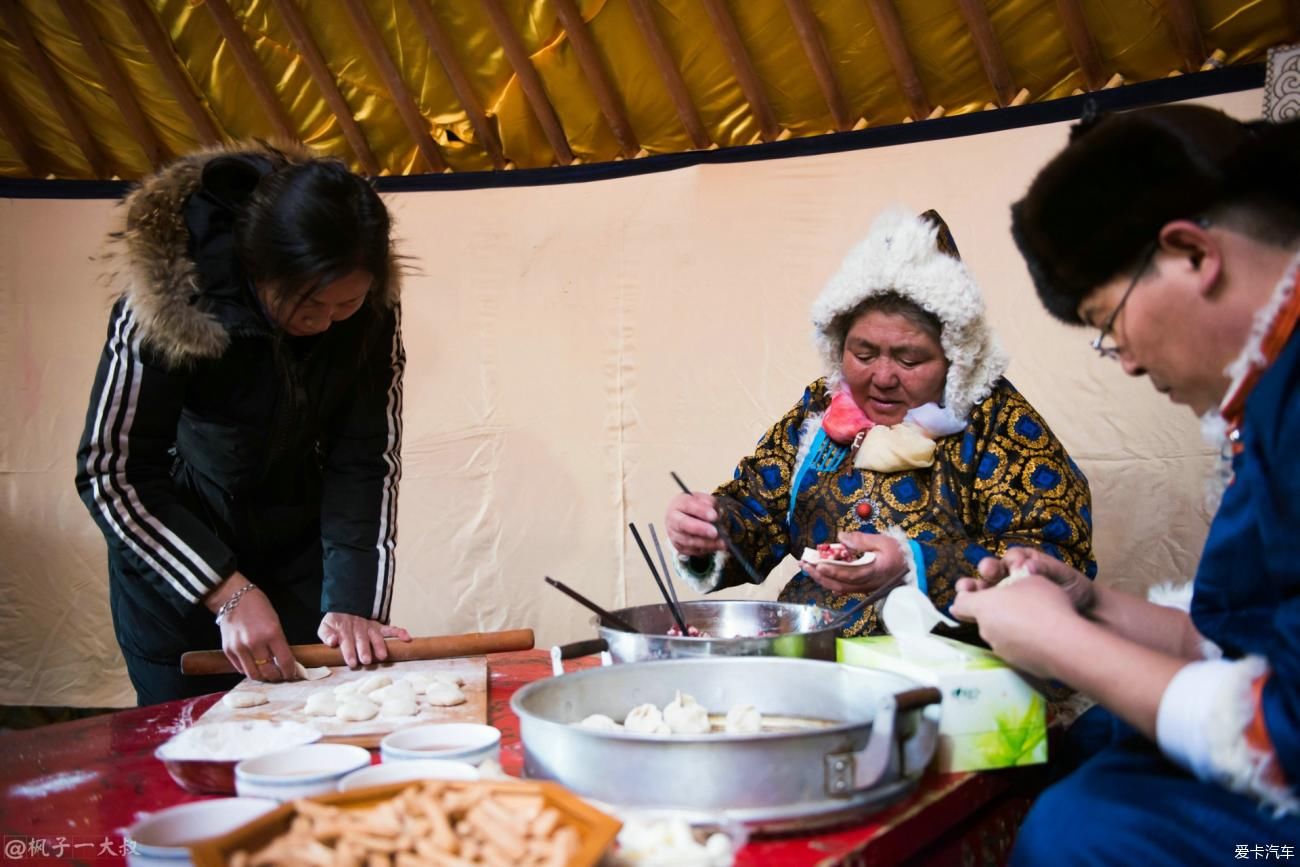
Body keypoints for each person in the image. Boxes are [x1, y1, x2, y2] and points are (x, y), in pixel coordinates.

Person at [953, 105, 1300, 863]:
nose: (1130, 362)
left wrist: (1063, 640)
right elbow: (1245, 635)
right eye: (864, 351)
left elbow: (1286, 726)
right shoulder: (1270, 398)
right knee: (1090, 745)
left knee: (1080, 825)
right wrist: (1092, 603)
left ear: (1189, 253)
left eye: (1108, 324)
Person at [75, 142, 410, 705]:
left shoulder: (370, 310)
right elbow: (112, 474)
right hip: (179, 555)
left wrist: (353, 599)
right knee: (195, 758)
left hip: (298, 554)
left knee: (315, 744)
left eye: (345, 305)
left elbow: (365, 457)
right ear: (259, 269)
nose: (326, 323)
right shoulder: (170, 303)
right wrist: (224, 590)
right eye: (309, 304)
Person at [664, 208, 1095, 633]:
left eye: (910, 359)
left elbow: (1054, 558)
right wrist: (711, 530)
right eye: (864, 355)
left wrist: (915, 566)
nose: (883, 378)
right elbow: (756, 511)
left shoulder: (995, 418)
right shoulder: (821, 407)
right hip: (818, 650)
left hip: (951, 663)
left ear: (955, 358)